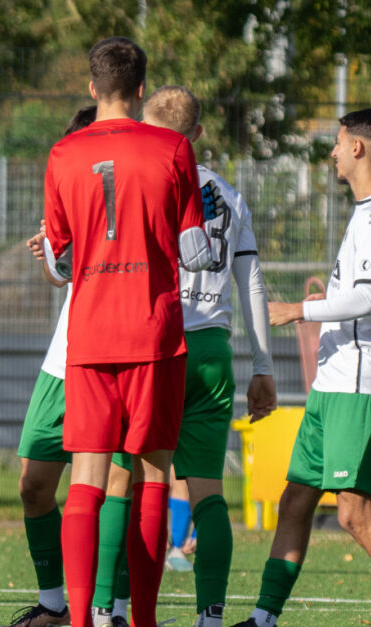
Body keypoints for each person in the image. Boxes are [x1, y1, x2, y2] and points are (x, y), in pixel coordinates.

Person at [232, 109, 371, 627]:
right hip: (335, 381)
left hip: (358, 382)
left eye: (337, 142)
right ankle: (263, 619)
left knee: (352, 512)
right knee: (297, 500)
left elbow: (369, 298)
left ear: (358, 149)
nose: (331, 152)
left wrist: (297, 310)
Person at [42, 36, 212, 627]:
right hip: (155, 333)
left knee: (87, 480)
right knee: (153, 475)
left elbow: (60, 261)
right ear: (142, 88)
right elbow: (195, 251)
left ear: (92, 88)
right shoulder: (173, 148)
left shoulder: (62, 155)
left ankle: (81, 620)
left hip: (89, 336)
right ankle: (142, 620)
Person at [143, 85, 277, 627]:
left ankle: (122, 608)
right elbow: (254, 284)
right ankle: (212, 617)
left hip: (159, 344)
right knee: (208, 494)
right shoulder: (232, 195)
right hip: (214, 350)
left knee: (142, 482)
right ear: (196, 134)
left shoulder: (145, 181)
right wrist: (263, 367)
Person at [4, 105, 96, 627]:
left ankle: (111, 608)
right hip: (62, 363)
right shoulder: (66, 189)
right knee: (33, 485)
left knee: (108, 491)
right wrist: (52, 256)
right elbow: (64, 277)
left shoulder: (131, 187)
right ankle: (54, 604)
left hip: (112, 359)